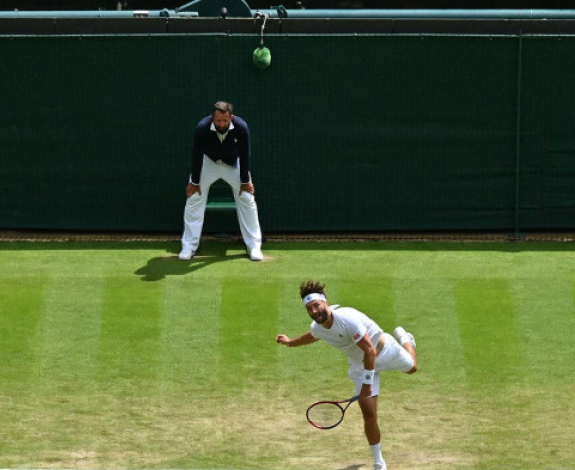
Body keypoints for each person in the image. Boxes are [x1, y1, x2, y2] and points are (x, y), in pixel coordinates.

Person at [276, 280, 418, 470]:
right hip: (361, 367)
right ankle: (379, 462)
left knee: (412, 367)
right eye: (309, 308)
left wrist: (367, 385)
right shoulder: (318, 327)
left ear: (325, 302)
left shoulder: (347, 318)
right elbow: (312, 335)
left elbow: (369, 351)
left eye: (317, 305)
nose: (314, 311)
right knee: (369, 414)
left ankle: (406, 340)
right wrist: (290, 342)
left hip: (385, 351)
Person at [179, 101, 263, 261]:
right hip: (208, 162)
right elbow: (196, 154)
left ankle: (254, 245)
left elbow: (245, 154)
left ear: (231, 117)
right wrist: (195, 183)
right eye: (218, 121)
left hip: (233, 163)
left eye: (225, 121)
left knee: (246, 198)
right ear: (213, 118)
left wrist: (245, 181)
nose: (222, 124)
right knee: (194, 198)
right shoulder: (202, 128)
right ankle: (189, 246)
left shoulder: (241, 127)